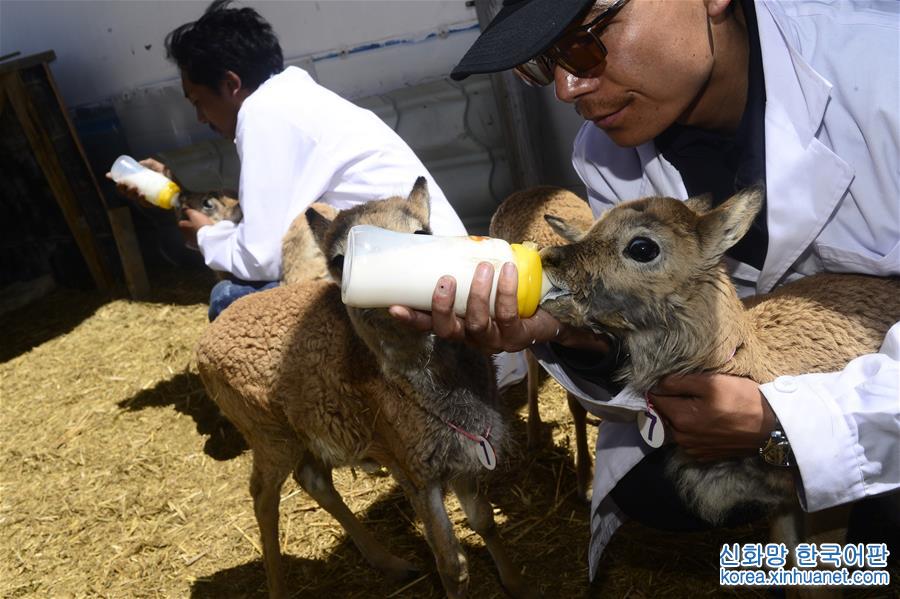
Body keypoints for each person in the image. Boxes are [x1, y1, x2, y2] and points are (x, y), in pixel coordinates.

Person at [389, 0, 900, 578]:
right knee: (659, 491)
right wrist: (569, 333)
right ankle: (821, 560)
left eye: (587, 37)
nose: (565, 87)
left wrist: (787, 421)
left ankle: (853, 552)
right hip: (776, 360)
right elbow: (650, 322)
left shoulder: (886, 75)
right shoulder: (607, 152)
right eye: (543, 62)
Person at [113, 0, 467, 321]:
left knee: (229, 303)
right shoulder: (290, 100)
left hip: (422, 299)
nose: (201, 119)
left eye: (197, 102)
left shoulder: (263, 113)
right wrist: (174, 190)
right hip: (435, 280)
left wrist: (205, 237)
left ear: (231, 83)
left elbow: (261, 255)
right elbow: (261, 221)